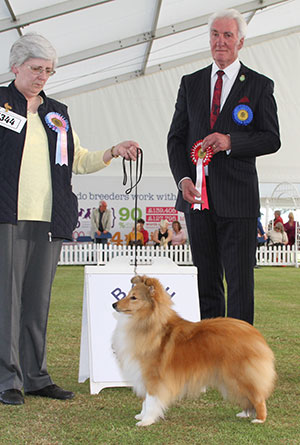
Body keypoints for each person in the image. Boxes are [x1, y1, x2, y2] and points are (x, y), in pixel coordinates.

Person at [0, 33, 139, 406]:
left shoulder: (56, 112)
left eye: (48, 70)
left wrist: (112, 151)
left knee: (36, 301)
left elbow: (79, 158)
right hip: (6, 217)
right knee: (6, 301)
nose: (43, 76)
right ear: (15, 67)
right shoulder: (0, 104)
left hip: (48, 220)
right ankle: (7, 379)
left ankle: (36, 376)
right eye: (36, 69)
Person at [167, 9, 280, 324]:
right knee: (206, 284)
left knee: (240, 286)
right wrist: (184, 179)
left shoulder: (259, 85)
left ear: (240, 41)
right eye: (215, 34)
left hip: (239, 202)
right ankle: (209, 357)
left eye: (227, 35)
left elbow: (272, 139)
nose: (220, 42)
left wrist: (232, 142)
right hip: (197, 202)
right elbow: (176, 139)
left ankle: (240, 362)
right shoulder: (190, 83)